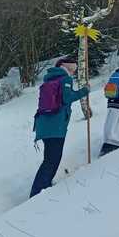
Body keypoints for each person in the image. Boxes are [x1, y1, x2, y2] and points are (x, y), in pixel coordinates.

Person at [30, 56, 89, 198]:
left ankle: (43, 186)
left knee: (50, 158)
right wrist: (84, 91)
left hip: (44, 125)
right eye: (73, 69)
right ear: (68, 67)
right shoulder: (65, 79)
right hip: (56, 126)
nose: (74, 72)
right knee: (52, 160)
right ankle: (37, 193)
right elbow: (67, 98)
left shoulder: (50, 79)